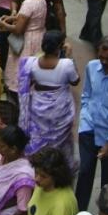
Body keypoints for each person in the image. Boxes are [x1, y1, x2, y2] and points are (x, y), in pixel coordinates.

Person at [18, 31, 80, 168]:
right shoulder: (66, 64)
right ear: (60, 46)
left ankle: (40, 166)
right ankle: (59, 167)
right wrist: (70, 56)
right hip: (60, 111)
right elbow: (75, 80)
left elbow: (28, 84)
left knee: (40, 137)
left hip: (38, 107)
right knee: (61, 142)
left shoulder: (31, 64)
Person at [0, 0, 47, 99]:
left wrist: (4, 25)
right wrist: (12, 18)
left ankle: (19, 98)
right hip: (39, 37)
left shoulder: (28, 3)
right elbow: (29, 18)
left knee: (21, 73)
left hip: (28, 41)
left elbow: (18, 29)